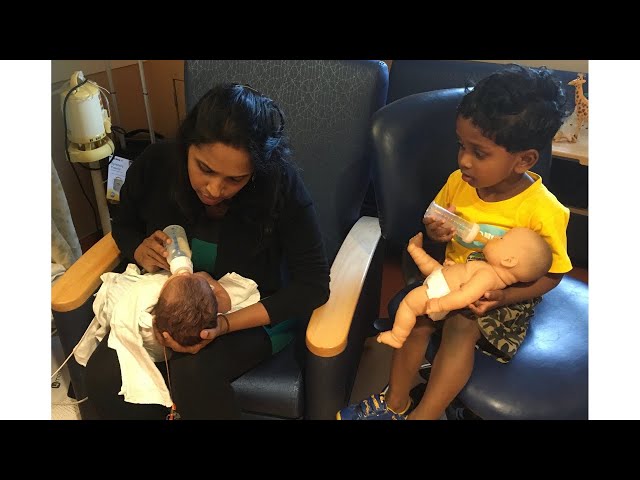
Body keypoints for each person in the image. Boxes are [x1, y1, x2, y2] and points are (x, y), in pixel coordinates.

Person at [338, 64, 572, 420]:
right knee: (417, 316)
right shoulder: (458, 182)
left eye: (480, 153)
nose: (464, 160)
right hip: (451, 275)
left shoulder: (543, 210)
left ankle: (426, 414)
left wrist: (503, 297)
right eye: (461, 146)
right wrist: (435, 232)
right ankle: (395, 402)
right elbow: (436, 217)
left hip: (502, 296)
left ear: (523, 160)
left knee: (460, 327)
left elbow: (553, 275)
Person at [85, 83, 330, 420]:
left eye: (235, 179)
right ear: (188, 145)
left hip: (251, 311)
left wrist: (224, 324)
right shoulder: (155, 165)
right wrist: (138, 250)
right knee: (103, 376)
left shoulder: (279, 187)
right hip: (170, 305)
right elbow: (124, 225)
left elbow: (313, 286)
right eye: (205, 169)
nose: (214, 189)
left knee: (193, 371)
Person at [75, 264, 259, 409]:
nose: (185, 274)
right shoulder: (204, 302)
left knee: (192, 375)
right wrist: (207, 279)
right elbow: (225, 303)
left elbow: (127, 301)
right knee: (101, 374)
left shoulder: (151, 304)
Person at [377, 228, 552, 348]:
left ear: (508, 261)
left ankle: (397, 336)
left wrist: (439, 304)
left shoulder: (488, 277)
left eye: (501, 238)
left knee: (408, 304)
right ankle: (414, 249)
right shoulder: (487, 268)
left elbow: (465, 295)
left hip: (441, 293)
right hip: (444, 278)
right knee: (431, 266)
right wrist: (454, 268)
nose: (494, 238)